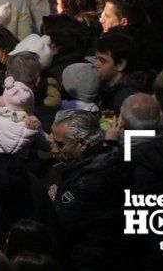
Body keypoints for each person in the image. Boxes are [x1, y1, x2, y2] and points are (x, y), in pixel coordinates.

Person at [48, 110, 132, 270]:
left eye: (60, 144)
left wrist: (55, 200)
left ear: (82, 144)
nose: (54, 147)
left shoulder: (87, 182)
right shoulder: (113, 156)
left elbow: (58, 220)